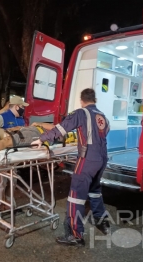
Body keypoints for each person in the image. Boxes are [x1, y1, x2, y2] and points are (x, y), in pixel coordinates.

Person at [31, 88, 110, 247]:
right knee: (95, 191)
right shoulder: (103, 117)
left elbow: (61, 128)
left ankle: (75, 235)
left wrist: (42, 139)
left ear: (82, 100)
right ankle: (102, 222)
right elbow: (104, 133)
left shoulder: (81, 113)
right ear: (95, 100)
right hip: (102, 158)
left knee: (76, 196)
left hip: (87, 158)